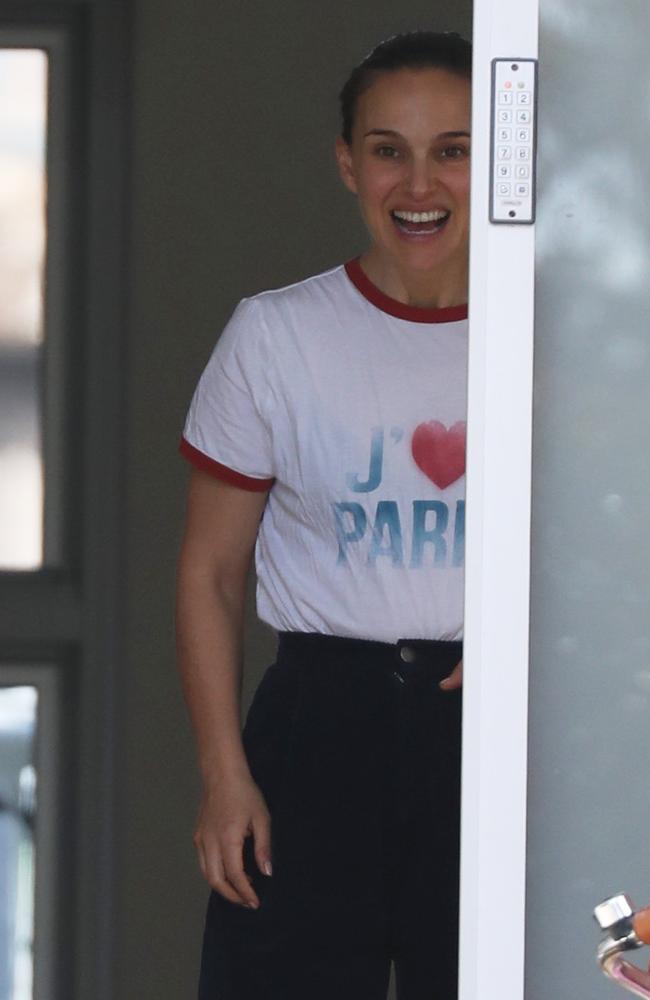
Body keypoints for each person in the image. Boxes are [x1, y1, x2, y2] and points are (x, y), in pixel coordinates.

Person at [176, 29, 470, 1000]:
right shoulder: (275, 334)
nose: (417, 181)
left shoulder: (565, 342)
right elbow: (211, 572)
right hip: (315, 724)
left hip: (496, 719)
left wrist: (546, 648)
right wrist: (225, 776)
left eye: (451, 149)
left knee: (554, 966)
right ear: (348, 164)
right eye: (388, 149)